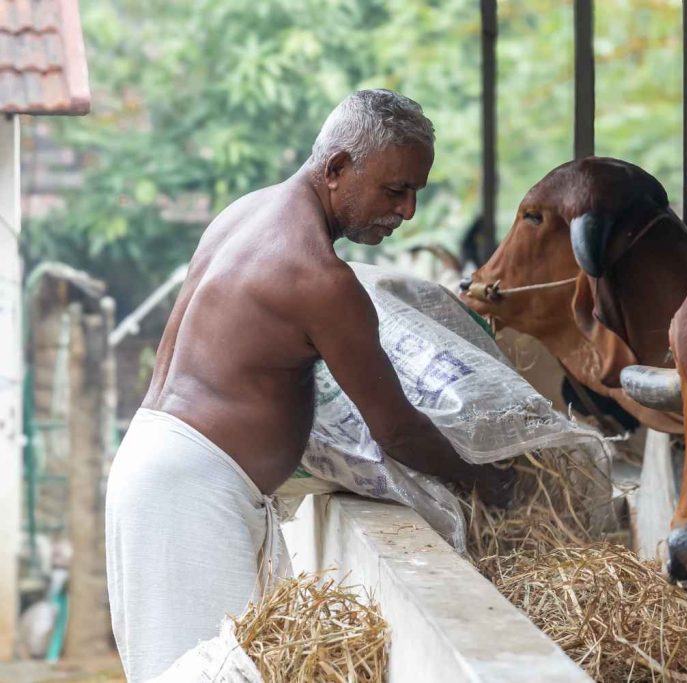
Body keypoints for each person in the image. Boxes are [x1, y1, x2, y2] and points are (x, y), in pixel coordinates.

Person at [105, 89, 513, 682]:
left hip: (168, 469)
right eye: (395, 190)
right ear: (337, 168)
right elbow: (396, 428)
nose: (408, 212)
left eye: (416, 192)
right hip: (190, 493)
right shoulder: (318, 277)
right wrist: (488, 480)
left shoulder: (246, 213)